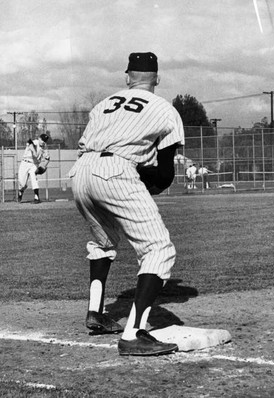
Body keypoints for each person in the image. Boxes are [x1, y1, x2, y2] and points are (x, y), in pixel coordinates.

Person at [68, 52, 185, 356]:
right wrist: (150, 183)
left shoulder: (104, 103)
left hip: (80, 171)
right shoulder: (164, 108)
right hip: (116, 171)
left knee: (103, 240)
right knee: (159, 249)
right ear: (156, 78)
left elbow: (87, 145)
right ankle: (134, 334)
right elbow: (165, 172)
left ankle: (96, 312)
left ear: (128, 77)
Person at [17, 133, 50, 204]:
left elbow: (47, 158)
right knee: (22, 184)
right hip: (25, 163)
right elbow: (29, 142)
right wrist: (34, 152)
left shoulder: (45, 147)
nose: (43, 142)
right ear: (39, 139)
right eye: (42, 140)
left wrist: (44, 165)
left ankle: (36, 197)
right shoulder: (35, 142)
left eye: (45, 141)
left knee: (33, 177)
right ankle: (21, 190)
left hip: (34, 164)